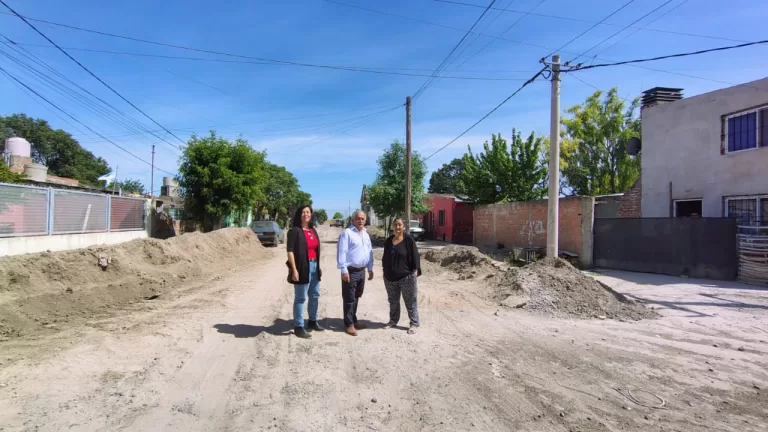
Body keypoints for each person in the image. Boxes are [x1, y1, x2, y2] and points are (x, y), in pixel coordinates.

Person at [286, 205, 324, 339]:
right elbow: (290, 251)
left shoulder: (313, 230)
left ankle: (312, 322)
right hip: (302, 267)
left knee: (315, 295)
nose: (306, 214)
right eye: (303, 212)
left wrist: (318, 266)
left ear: (311, 215)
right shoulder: (294, 231)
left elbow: (316, 249)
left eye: (308, 212)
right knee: (301, 298)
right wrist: (294, 270)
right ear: (299, 215)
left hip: (314, 265)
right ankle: (299, 326)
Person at [336, 210, 374, 336]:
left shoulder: (366, 234)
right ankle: (348, 324)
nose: (361, 220)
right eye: (358, 218)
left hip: (361, 271)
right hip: (350, 271)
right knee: (349, 299)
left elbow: (369, 252)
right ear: (353, 220)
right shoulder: (347, 233)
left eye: (363, 218)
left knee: (357, 296)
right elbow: (342, 252)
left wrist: (370, 268)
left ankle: (353, 319)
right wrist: (344, 270)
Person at [382, 218, 422, 334]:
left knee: (410, 301)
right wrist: (384, 271)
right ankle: (393, 320)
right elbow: (385, 257)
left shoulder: (408, 239)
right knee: (393, 301)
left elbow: (415, 256)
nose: (398, 227)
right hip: (390, 277)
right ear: (393, 227)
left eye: (400, 225)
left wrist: (414, 272)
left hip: (406, 277)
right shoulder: (389, 241)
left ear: (403, 227)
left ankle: (414, 323)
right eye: (396, 225)